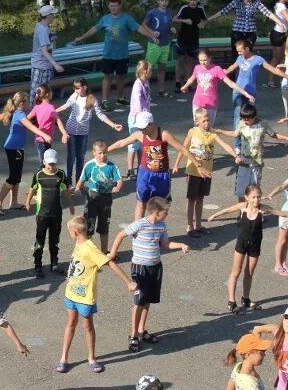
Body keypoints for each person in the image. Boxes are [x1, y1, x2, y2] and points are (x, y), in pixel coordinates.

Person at [207, 184, 288, 313]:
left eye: (259, 197)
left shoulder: (263, 209)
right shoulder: (242, 207)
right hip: (241, 244)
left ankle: (246, 299)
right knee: (235, 272)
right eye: (253, 197)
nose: (256, 200)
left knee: (249, 273)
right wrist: (213, 216)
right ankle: (231, 302)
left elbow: (282, 213)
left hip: (255, 245)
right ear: (247, 198)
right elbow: (228, 210)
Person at [108, 196, 189, 353]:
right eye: (166, 212)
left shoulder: (161, 225)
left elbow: (165, 244)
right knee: (139, 301)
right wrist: (112, 253)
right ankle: (133, 336)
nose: (168, 215)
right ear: (156, 212)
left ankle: (141, 330)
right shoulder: (140, 224)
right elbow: (120, 235)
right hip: (140, 268)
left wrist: (181, 245)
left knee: (148, 301)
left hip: (155, 267)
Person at [59, 216, 136, 374]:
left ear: (74, 232)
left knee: (88, 326)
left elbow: (110, 263)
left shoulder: (90, 248)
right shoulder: (79, 242)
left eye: (69, 232)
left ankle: (92, 358)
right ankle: (64, 357)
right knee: (70, 323)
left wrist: (128, 282)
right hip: (71, 293)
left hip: (85, 297)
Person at [106, 111, 205, 220]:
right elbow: (121, 143)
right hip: (144, 175)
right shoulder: (139, 135)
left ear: (151, 124)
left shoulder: (163, 134)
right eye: (139, 128)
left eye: (143, 128)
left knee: (161, 206)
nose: (141, 130)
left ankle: (156, 231)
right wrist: (105, 150)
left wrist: (198, 165)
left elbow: (182, 149)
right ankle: (138, 233)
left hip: (161, 176)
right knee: (141, 203)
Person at [72, 0, 159, 111]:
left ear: (120, 6)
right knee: (107, 77)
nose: (113, 8)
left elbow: (139, 28)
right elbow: (95, 29)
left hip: (122, 54)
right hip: (108, 54)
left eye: (115, 6)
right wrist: (82, 37)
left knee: (121, 77)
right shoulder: (105, 19)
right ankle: (104, 101)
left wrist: (151, 36)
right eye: (111, 6)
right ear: (108, 6)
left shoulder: (126, 18)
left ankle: (120, 98)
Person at [173, 107, 238, 236]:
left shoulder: (212, 133)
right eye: (204, 121)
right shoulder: (193, 132)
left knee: (200, 198)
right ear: (197, 122)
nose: (207, 123)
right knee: (191, 199)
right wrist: (176, 164)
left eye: (208, 120)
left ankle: (198, 224)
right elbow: (183, 148)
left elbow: (225, 145)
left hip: (207, 172)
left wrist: (235, 155)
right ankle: (190, 226)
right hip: (193, 171)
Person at [224, 38, 288, 153]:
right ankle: (238, 145)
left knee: (250, 117)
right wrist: (223, 72)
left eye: (240, 51)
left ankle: (251, 141)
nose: (239, 53)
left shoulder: (258, 60)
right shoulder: (240, 58)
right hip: (238, 91)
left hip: (250, 93)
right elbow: (232, 67)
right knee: (238, 118)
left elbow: (273, 70)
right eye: (237, 52)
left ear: (247, 49)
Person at [0, 90, 52, 210]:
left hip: (14, 147)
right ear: (22, 103)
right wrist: (44, 135)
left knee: (17, 176)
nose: (28, 104)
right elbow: (31, 126)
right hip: (14, 148)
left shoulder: (12, 111)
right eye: (27, 102)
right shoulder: (20, 115)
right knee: (13, 177)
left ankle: (14, 202)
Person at [217, 103, 288, 200]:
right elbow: (235, 134)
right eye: (243, 118)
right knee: (241, 192)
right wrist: (220, 131)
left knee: (254, 192)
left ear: (254, 116)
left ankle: (253, 212)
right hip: (243, 162)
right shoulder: (242, 124)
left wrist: (287, 138)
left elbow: (273, 134)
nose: (245, 121)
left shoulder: (263, 124)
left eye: (248, 119)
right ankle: (242, 213)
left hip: (257, 164)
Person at [57, 77, 123, 185]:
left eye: (78, 88)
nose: (76, 91)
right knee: (71, 156)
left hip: (83, 133)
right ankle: (68, 182)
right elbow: (66, 105)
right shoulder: (75, 96)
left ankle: (79, 182)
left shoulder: (91, 99)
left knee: (80, 157)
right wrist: (52, 111)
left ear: (85, 87)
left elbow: (100, 114)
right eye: (75, 89)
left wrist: (113, 125)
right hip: (71, 130)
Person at [24, 149, 75, 278]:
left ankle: (54, 263)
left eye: (53, 164)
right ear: (44, 161)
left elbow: (66, 191)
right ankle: (38, 265)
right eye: (49, 164)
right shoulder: (39, 175)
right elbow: (32, 189)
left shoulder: (61, 174)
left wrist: (71, 205)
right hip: (42, 213)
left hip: (56, 213)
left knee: (54, 240)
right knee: (40, 239)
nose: (51, 166)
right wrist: (27, 202)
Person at [204, 0, 285, 62]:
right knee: (235, 56)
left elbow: (268, 13)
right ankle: (233, 75)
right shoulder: (237, 1)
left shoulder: (256, 3)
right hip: (237, 33)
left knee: (247, 55)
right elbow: (223, 11)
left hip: (250, 34)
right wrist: (208, 20)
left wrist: (279, 22)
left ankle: (246, 73)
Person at [179, 49, 255, 126]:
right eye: (200, 60)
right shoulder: (197, 68)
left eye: (205, 60)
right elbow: (192, 78)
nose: (203, 63)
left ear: (210, 58)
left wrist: (246, 94)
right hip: (197, 102)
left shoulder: (217, 69)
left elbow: (230, 83)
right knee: (197, 128)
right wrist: (185, 86)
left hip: (211, 103)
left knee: (208, 127)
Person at [75, 139, 123, 253]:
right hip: (92, 196)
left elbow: (119, 179)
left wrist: (118, 187)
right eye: (100, 153)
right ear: (94, 153)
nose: (102, 155)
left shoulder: (111, 165)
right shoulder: (90, 165)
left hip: (106, 198)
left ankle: (104, 251)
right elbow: (82, 180)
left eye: (105, 152)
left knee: (104, 226)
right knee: (89, 224)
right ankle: (88, 252)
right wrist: (77, 188)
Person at [142, 0, 176, 98]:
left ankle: (161, 90)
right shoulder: (152, 12)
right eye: (162, 0)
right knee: (148, 69)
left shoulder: (169, 12)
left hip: (165, 44)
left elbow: (169, 25)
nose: (164, 3)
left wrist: (172, 29)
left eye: (166, 0)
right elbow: (143, 25)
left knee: (162, 68)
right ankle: (145, 92)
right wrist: (152, 33)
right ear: (158, 1)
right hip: (154, 44)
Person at [123, 60, 153, 179]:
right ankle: (131, 170)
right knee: (133, 145)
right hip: (137, 118)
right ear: (145, 71)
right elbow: (137, 102)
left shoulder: (146, 82)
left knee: (142, 144)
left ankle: (141, 167)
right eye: (150, 70)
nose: (151, 72)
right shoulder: (137, 85)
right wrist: (142, 116)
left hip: (144, 117)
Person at [30, 4, 66, 103]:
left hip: (44, 65)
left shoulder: (43, 26)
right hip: (40, 65)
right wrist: (56, 65)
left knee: (44, 91)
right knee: (37, 92)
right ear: (48, 16)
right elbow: (44, 51)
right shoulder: (43, 30)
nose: (54, 17)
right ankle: (34, 114)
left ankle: (42, 113)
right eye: (53, 15)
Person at [173, 0, 207, 92]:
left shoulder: (200, 9)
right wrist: (185, 21)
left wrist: (203, 23)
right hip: (182, 39)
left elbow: (206, 19)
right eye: (191, 0)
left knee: (190, 62)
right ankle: (178, 83)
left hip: (194, 39)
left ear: (198, 0)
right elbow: (174, 19)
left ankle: (188, 84)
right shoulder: (184, 8)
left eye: (195, 0)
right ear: (188, 0)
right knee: (180, 61)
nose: (193, 2)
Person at [27, 84, 69, 160]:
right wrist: (64, 133)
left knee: (45, 161)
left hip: (39, 139)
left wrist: (35, 125)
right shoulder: (50, 108)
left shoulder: (36, 107)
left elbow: (26, 119)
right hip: (45, 139)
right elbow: (58, 121)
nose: (52, 93)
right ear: (47, 94)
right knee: (44, 162)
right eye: (51, 91)